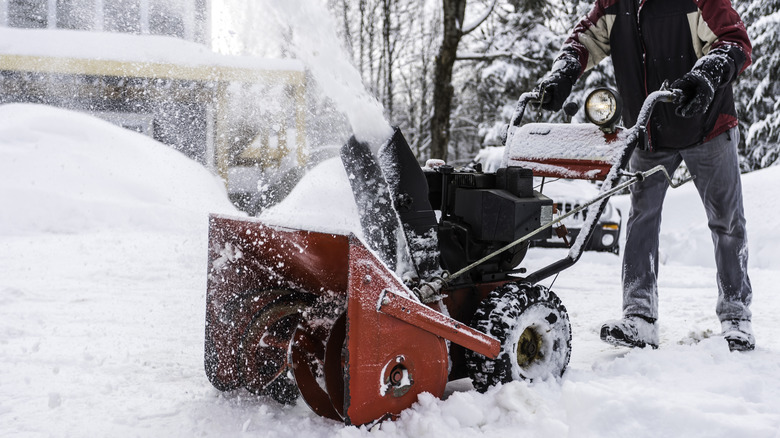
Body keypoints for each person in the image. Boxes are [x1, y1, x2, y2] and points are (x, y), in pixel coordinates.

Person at [537, 0, 754, 351]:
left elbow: (733, 41)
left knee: (727, 222)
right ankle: (639, 317)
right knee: (641, 220)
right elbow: (583, 40)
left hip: (707, 125)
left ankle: (736, 317)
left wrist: (707, 74)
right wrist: (565, 70)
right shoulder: (613, 4)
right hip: (649, 131)